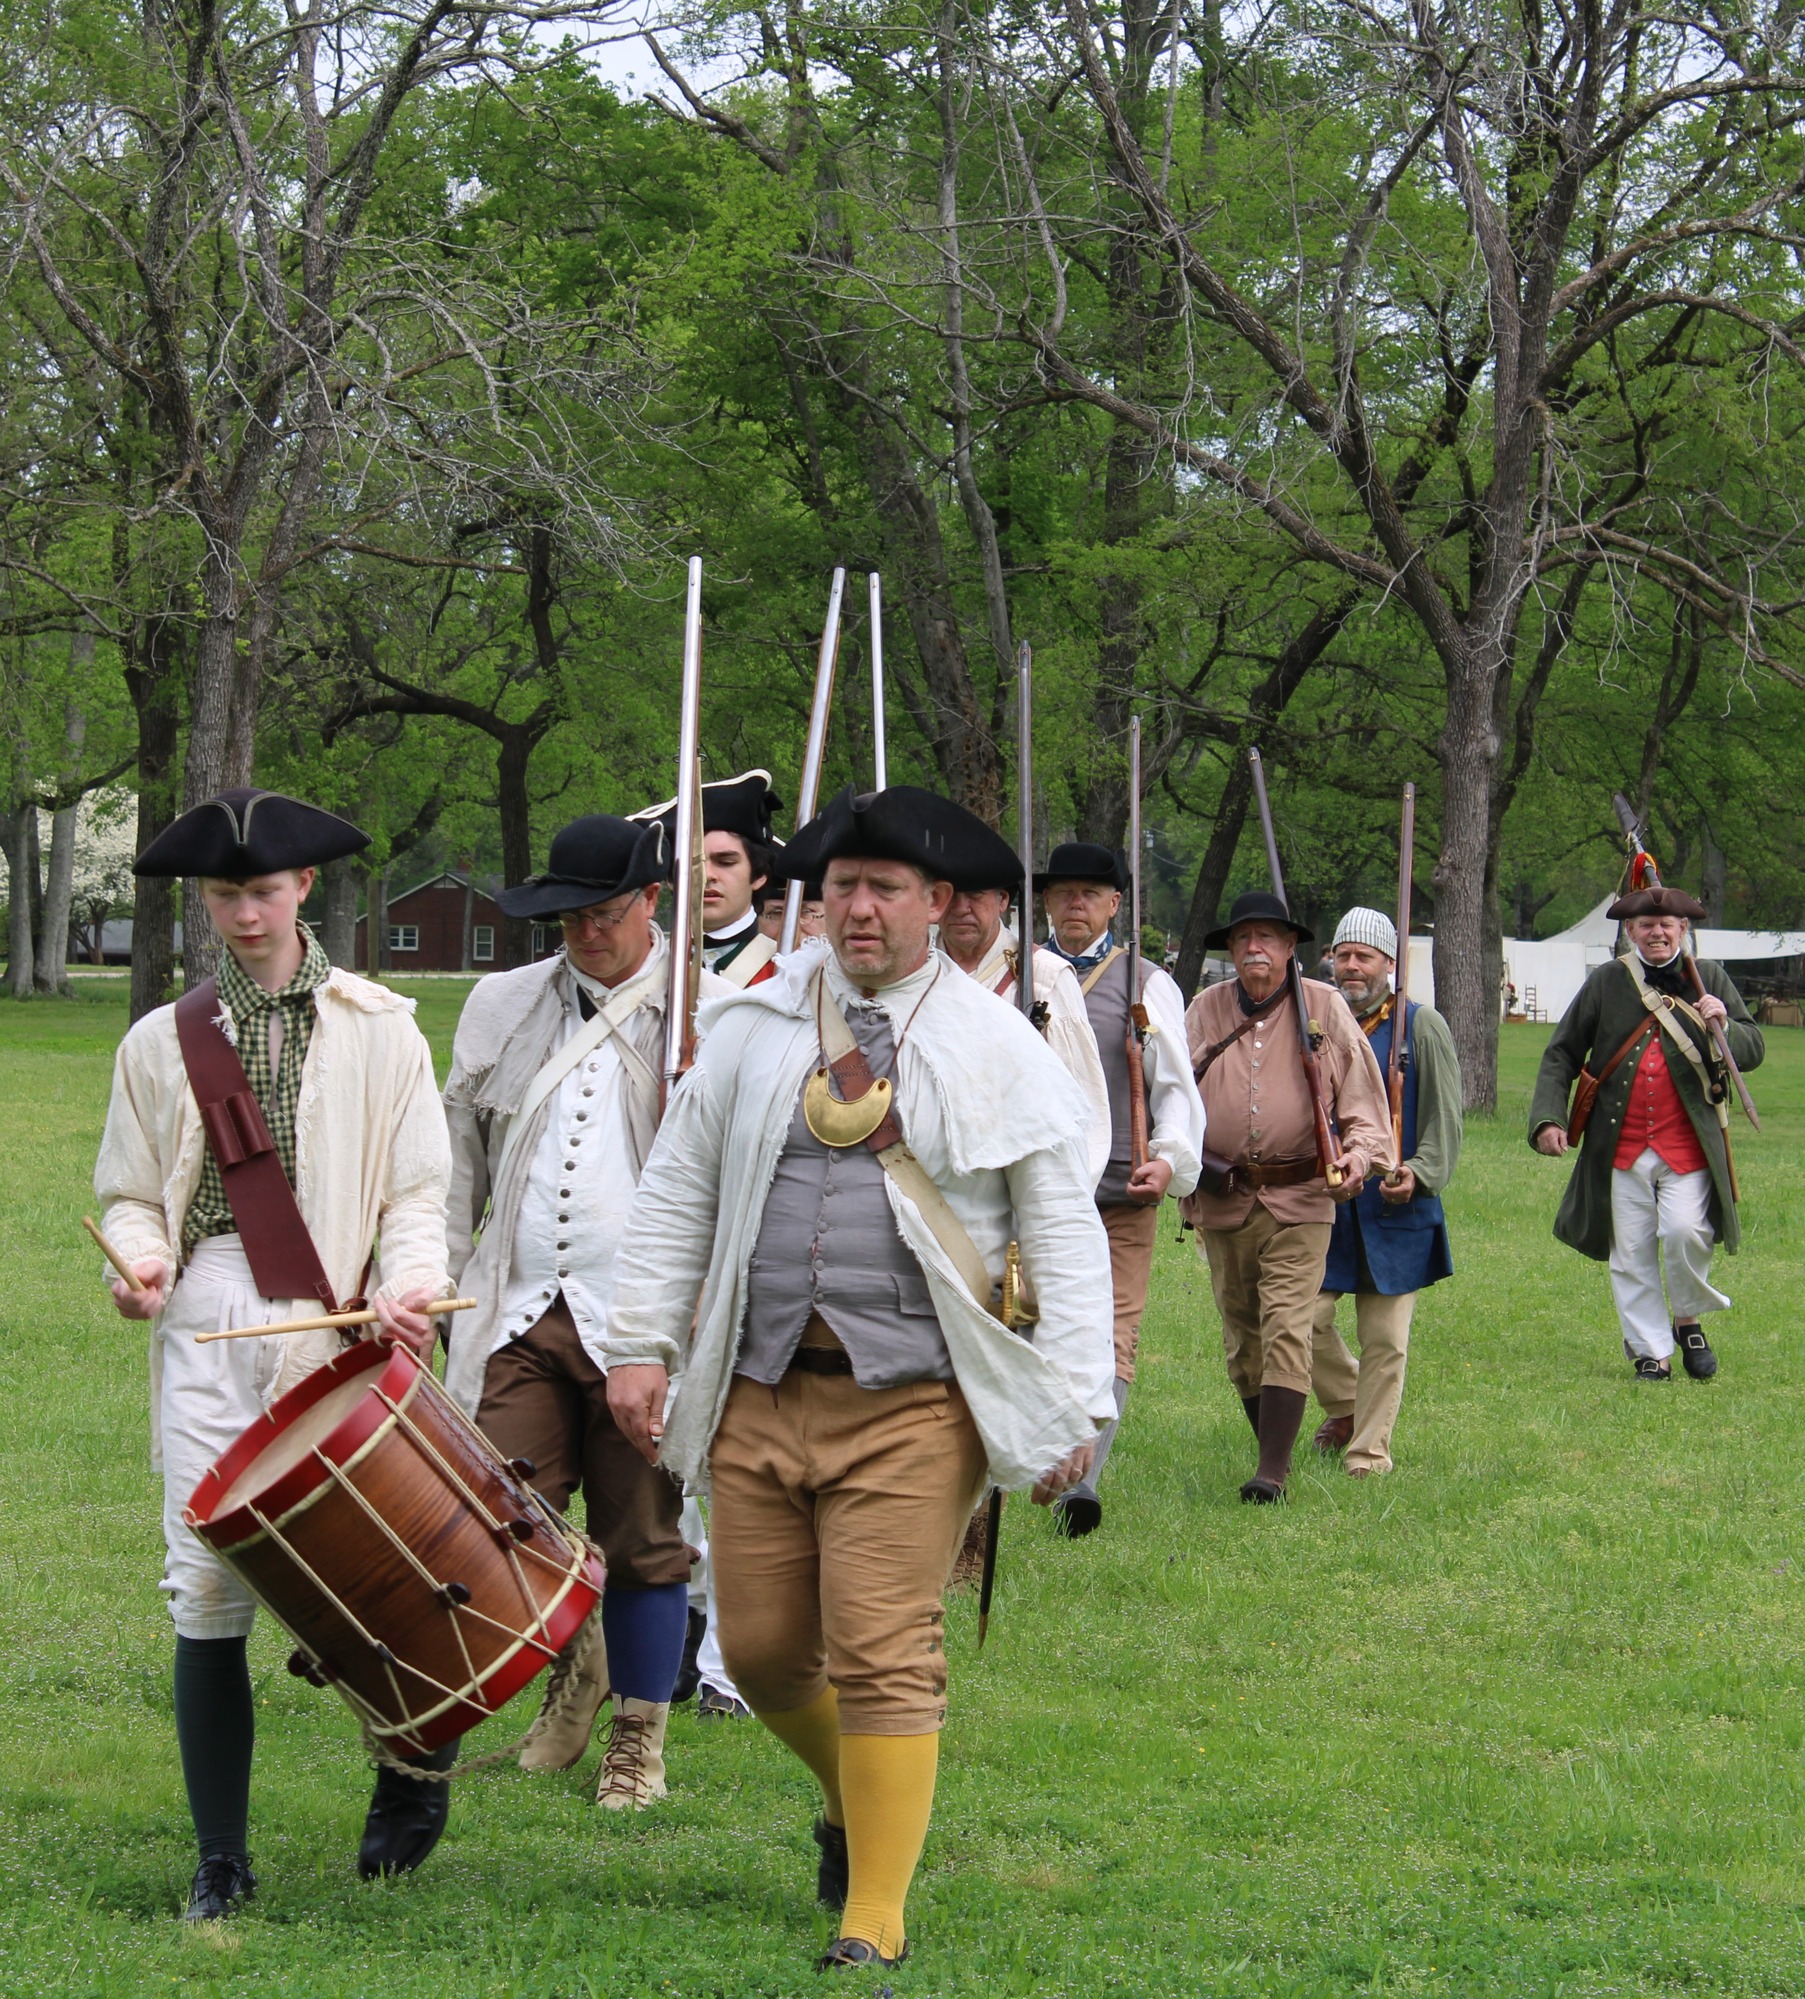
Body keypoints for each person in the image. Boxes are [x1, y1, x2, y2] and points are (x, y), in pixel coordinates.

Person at [603, 783, 1114, 1972]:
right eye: (841, 888)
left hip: (916, 1397)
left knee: (883, 1643)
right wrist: (641, 1340)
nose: (860, 909)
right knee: (766, 1650)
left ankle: (871, 1913)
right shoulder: (752, 1021)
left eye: (885, 889)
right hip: (758, 1383)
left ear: (939, 905)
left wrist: (1079, 1396)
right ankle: (853, 1797)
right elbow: (678, 1188)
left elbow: (1061, 1222)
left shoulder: (999, 1044)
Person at [93, 789, 453, 1921]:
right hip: (210, 1317)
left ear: (304, 889)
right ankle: (220, 1856)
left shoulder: (383, 1026)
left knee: (374, 1572)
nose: (243, 914)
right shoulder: (161, 1040)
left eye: (261, 890)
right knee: (204, 1584)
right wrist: (140, 1262)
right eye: (222, 894)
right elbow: (132, 1191)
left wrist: (407, 1287)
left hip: (341, 1316)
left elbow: (416, 1193)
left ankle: (408, 1769)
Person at [440, 813, 697, 1808]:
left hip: (644, 1318)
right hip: (516, 1307)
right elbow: (456, 1157)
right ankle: (573, 1669)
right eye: (570, 918)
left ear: (651, 904)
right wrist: (433, 1275)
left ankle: (638, 1735)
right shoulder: (502, 1005)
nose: (588, 934)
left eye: (604, 914)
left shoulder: (706, 1013)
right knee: (500, 1521)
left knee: (641, 1535)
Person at [1179, 891, 1390, 1500]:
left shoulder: (1322, 1007)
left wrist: (1359, 1158)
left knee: (1287, 1326)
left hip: (1299, 1201)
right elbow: (1170, 1098)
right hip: (1222, 1197)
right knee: (1242, 1337)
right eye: (1243, 938)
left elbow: (1365, 1107)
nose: (1254, 948)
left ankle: (1272, 1472)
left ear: (1290, 946)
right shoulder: (1204, 1010)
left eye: (1266, 937)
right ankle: (1272, 1446)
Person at [1528, 884, 1763, 1380]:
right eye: (1646, 925)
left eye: (1667, 924)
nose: (1657, 931)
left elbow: (1753, 1047)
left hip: (1689, 1143)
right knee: (1630, 1251)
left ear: (1683, 930)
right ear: (1630, 931)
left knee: (1686, 1233)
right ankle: (1651, 1350)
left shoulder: (1710, 977)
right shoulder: (1609, 982)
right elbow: (1562, 1052)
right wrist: (1548, 1117)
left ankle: (1688, 1319)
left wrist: (1726, 1025)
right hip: (1620, 1144)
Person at [1037, 842, 1203, 1536]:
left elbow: (1174, 1086)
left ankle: (1087, 1479)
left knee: (1112, 1334)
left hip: (1116, 1191)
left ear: (1113, 904)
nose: (1075, 903)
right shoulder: (1020, 974)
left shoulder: (1145, 982)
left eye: (1090, 893)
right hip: (1031, 1192)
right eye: (1063, 892)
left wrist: (1167, 1160)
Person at [1308, 909, 1462, 1476]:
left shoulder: (1421, 1026)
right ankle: (1349, 1404)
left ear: (1390, 965)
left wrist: (1418, 1173)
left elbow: (1445, 1121)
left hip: (1397, 1209)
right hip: (1326, 1209)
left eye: (1364, 956)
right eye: (1343, 954)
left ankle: (1368, 1454)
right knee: (1301, 1321)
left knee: (1385, 1338)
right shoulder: (1313, 1021)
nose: (1351, 966)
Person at [938, 875, 1111, 1185]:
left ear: (1003, 900)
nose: (961, 908)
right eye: (950, 896)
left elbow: (1083, 1107)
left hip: (1016, 1186)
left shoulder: (1045, 975)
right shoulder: (912, 971)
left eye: (975, 894)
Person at [632, 769, 788, 987]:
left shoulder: (789, 971)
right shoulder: (644, 970)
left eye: (725, 862)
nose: (707, 876)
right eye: (692, 865)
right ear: (671, 879)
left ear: (759, 875)